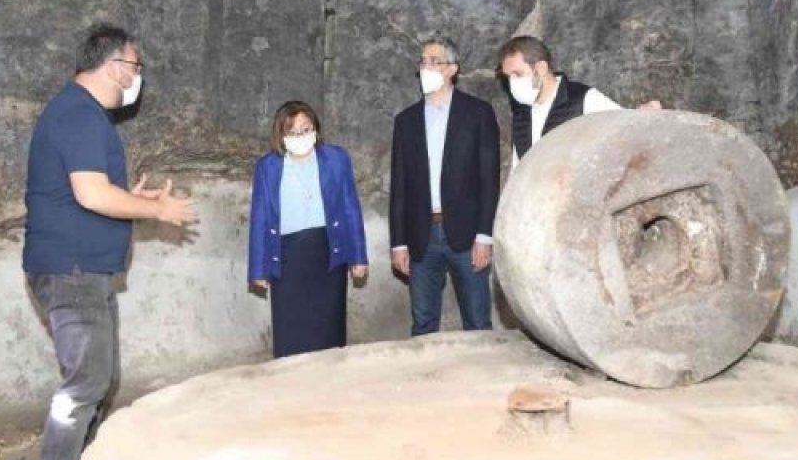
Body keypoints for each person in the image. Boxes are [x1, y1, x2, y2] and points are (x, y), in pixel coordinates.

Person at [22, 24, 197, 460]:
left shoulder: (80, 115)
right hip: (71, 271)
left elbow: (90, 191)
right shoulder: (78, 113)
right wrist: (155, 209)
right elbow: (91, 195)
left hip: (82, 271)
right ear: (114, 65)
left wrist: (128, 195)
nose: (136, 78)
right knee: (82, 389)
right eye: (135, 67)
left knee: (97, 379)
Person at [388, 36, 500, 335]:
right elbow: (399, 185)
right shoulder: (406, 121)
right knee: (423, 322)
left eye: (434, 61)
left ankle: (481, 380)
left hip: (467, 234)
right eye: (423, 61)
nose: (426, 67)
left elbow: (489, 179)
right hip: (421, 235)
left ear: (453, 69)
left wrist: (485, 236)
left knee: (477, 321)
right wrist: (398, 242)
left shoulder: (478, 114)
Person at [247, 101, 369, 358]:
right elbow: (260, 218)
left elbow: (350, 208)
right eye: (292, 131)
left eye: (306, 129)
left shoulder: (336, 159)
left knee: (329, 334)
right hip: (287, 258)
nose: (300, 136)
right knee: (291, 334)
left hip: (327, 254)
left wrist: (358, 257)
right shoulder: (267, 167)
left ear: (316, 130)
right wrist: (258, 268)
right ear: (281, 135)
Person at [497, 35, 662, 165]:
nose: (513, 84)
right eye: (508, 77)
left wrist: (645, 115)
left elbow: (627, 129)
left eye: (518, 74)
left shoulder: (584, 100)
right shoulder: (521, 115)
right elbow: (518, 171)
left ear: (541, 68)